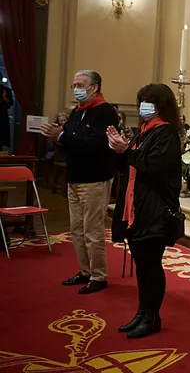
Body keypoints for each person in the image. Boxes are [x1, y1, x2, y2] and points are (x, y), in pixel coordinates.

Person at [107, 84, 182, 339]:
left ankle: (151, 317)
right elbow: (128, 166)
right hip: (135, 205)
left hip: (154, 208)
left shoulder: (166, 133)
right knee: (142, 265)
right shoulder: (143, 131)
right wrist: (118, 150)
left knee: (151, 265)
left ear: (161, 105)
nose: (143, 106)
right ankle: (143, 313)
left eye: (148, 101)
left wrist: (126, 150)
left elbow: (153, 167)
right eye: (141, 100)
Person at [40, 70, 118, 295]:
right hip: (75, 177)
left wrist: (62, 137)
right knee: (77, 229)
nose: (76, 90)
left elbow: (94, 144)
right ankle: (85, 271)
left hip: (94, 178)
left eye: (80, 85)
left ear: (94, 87)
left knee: (92, 231)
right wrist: (57, 137)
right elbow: (71, 141)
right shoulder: (77, 111)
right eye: (74, 86)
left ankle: (98, 275)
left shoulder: (105, 112)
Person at [0, 85, 13, 151]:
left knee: (1, 141)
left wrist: (4, 97)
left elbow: (10, 103)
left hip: (2, 118)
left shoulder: (6, 90)